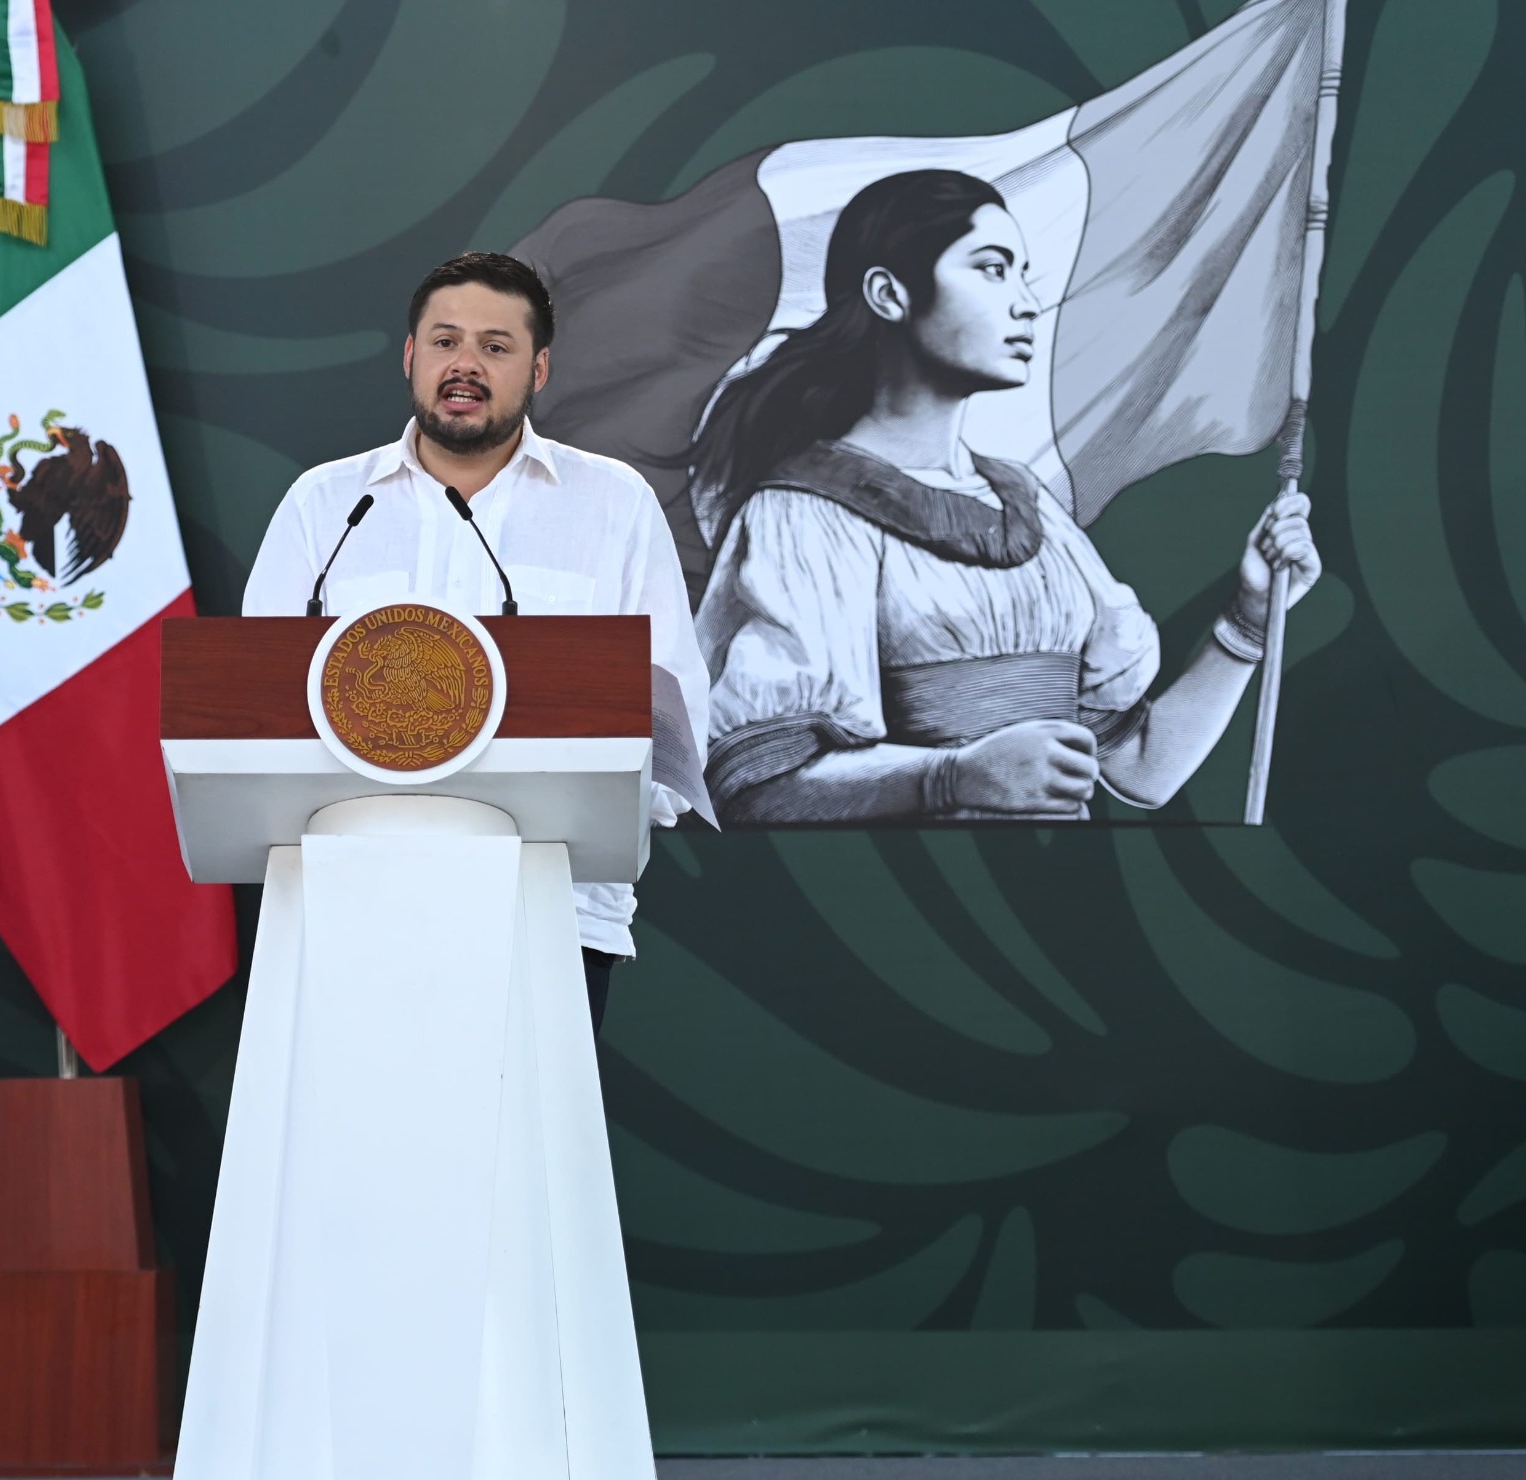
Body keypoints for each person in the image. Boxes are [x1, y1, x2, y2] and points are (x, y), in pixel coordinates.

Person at [689, 169, 1321, 824]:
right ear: (888, 293)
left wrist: (1250, 616)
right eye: (992, 270)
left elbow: (1140, 770)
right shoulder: (805, 514)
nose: (1025, 303)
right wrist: (952, 776)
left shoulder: (1031, 507)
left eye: (1024, 275)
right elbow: (756, 785)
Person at [241, 251, 710, 1024]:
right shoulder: (325, 507)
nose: (465, 365)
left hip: (551, 908)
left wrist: (601, 818)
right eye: (445, 341)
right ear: (409, 357)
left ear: (539, 370)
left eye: (496, 347)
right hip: (347, 904)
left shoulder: (612, 504)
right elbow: (251, 710)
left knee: (532, 1145)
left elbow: (674, 719)